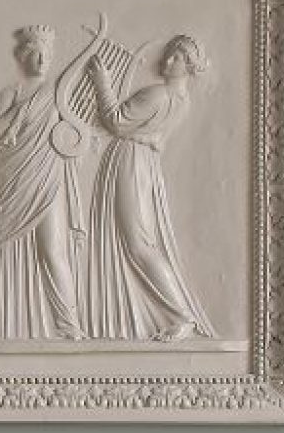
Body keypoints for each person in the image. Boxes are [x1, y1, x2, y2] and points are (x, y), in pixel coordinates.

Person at [80, 28, 214, 343]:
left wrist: (102, 83)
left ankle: (182, 316)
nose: (168, 60)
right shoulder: (183, 100)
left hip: (130, 160)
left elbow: (115, 121)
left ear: (191, 65)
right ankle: (172, 314)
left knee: (139, 244)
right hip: (144, 164)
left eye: (178, 56)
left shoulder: (157, 94)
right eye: (169, 53)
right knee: (139, 241)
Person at [0, 25, 100, 341]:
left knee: (54, 249)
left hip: (49, 177)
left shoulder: (60, 91)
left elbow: (77, 132)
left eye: (46, 52)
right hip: (15, 176)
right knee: (11, 247)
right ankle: (15, 322)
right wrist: (21, 111)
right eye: (34, 51)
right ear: (22, 56)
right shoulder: (13, 92)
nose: (41, 59)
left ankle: (69, 324)